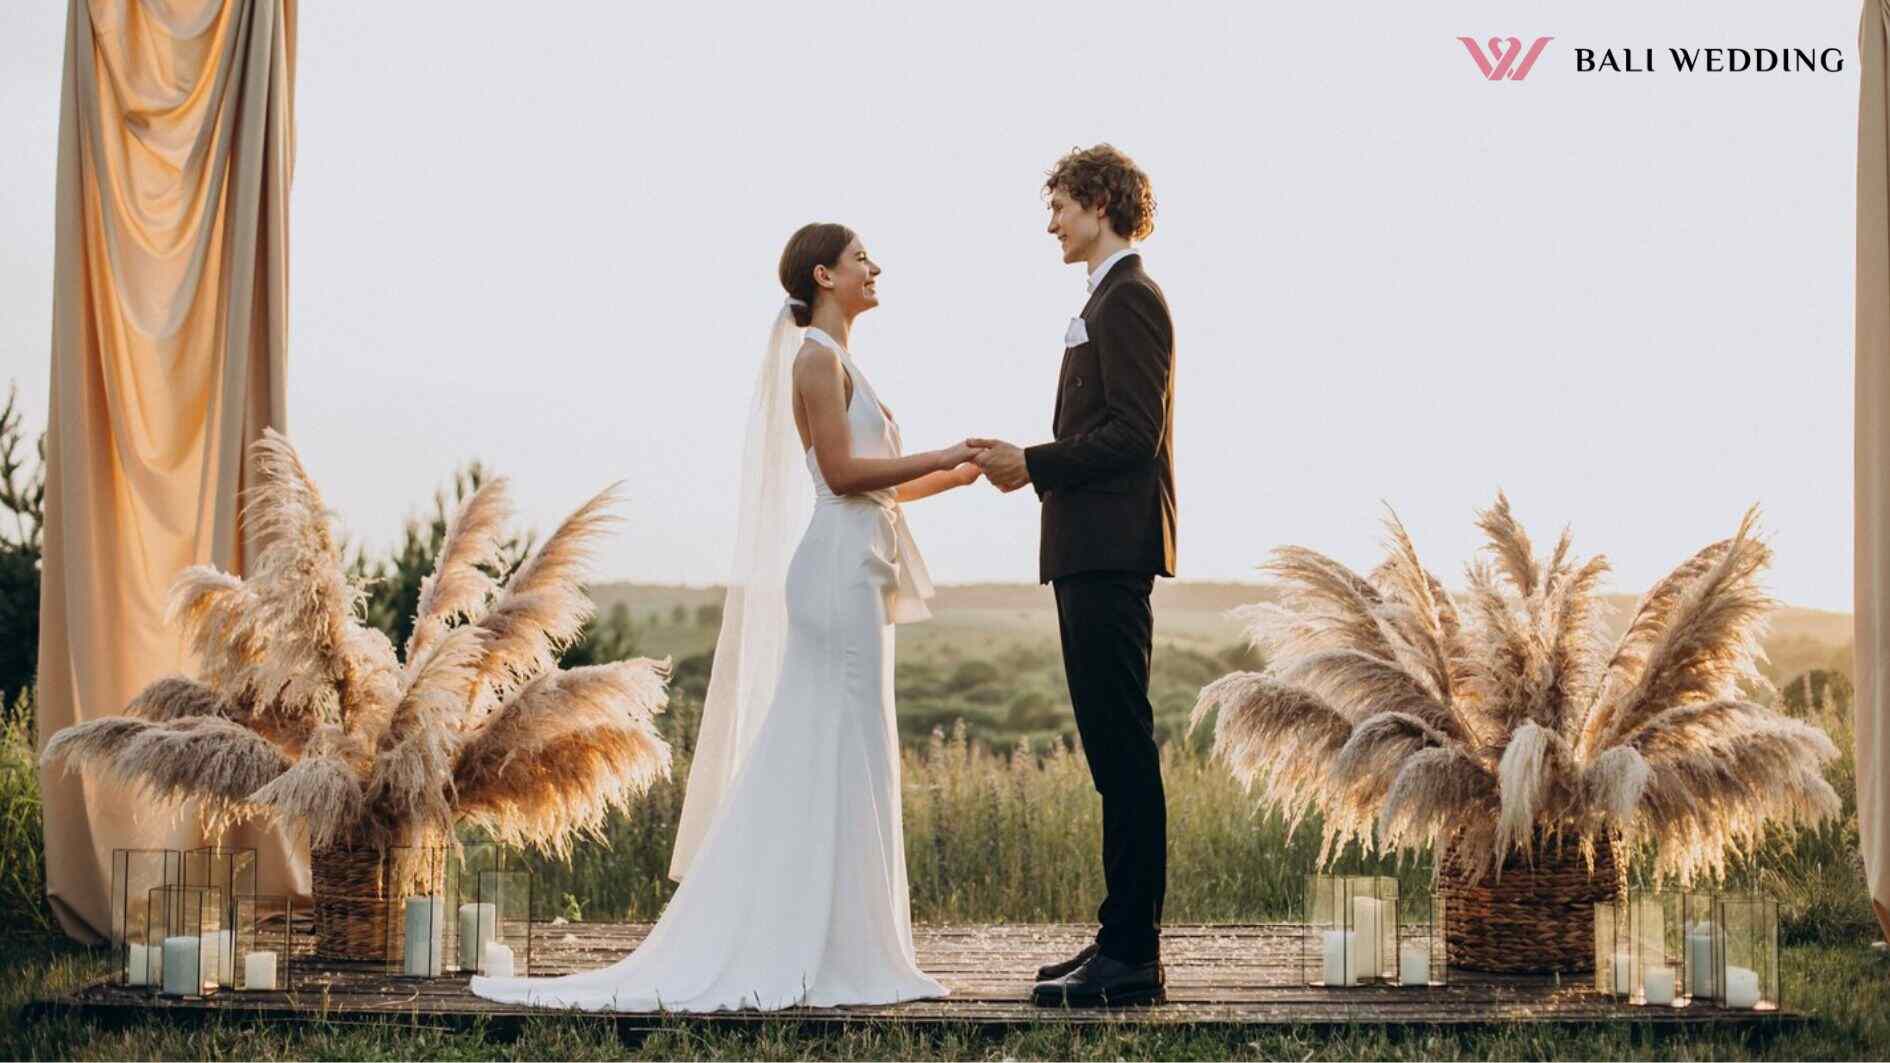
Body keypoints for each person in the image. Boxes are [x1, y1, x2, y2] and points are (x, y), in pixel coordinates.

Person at [470, 223, 979, 1012]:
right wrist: (938, 451)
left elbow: (882, 485)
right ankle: (815, 946)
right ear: (824, 274)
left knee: (852, 750)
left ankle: (852, 942)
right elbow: (843, 475)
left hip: (859, 575)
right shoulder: (815, 359)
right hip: (837, 574)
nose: (875, 267)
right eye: (861, 258)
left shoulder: (845, 362)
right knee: (832, 746)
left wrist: (961, 471)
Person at [971, 144, 1178, 1008]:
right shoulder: (1104, 299)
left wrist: (1034, 462)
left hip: (1109, 551)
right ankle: (1117, 938)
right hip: (1089, 551)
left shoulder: (1130, 299)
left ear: (1100, 202)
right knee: (1109, 754)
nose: (1050, 222)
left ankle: (1131, 956)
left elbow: (1135, 435)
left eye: (1058, 204)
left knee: (1122, 753)